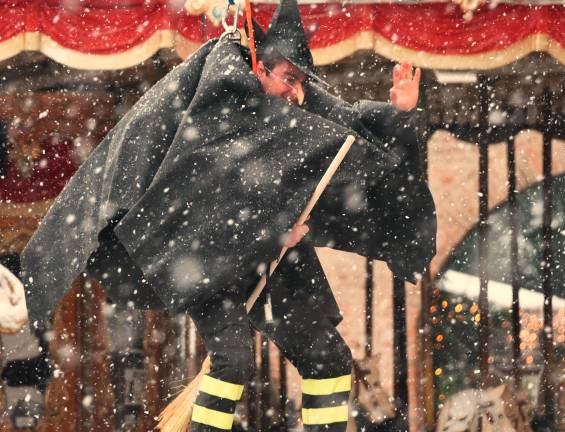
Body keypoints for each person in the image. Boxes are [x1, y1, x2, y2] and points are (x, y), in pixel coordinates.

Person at [20, 1, 434, 431]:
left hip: (272, 255)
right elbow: (208, 190)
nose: (295, 92)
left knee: (328, 360)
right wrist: (273, 228)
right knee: (232, 359)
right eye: (288, 79)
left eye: (300, 82)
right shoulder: (218, 95)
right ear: (259, 66)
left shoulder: (295, 99)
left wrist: (399, 113)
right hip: (208, 254)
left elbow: (349, 125)